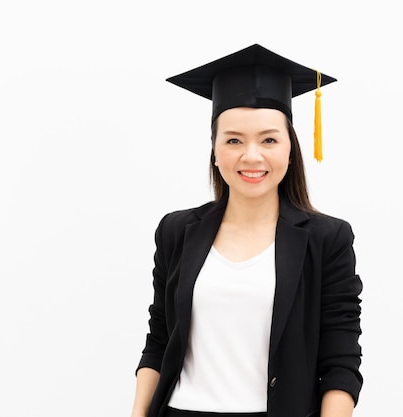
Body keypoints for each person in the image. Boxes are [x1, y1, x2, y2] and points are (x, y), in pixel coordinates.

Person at [131, 44, 363, 417]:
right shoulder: (176, 231)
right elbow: (159, 340)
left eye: (269, 139)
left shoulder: (326, 239)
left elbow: (340, 361)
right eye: (234, 140)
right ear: (215, 149)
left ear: (290, 149)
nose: (251, 156)